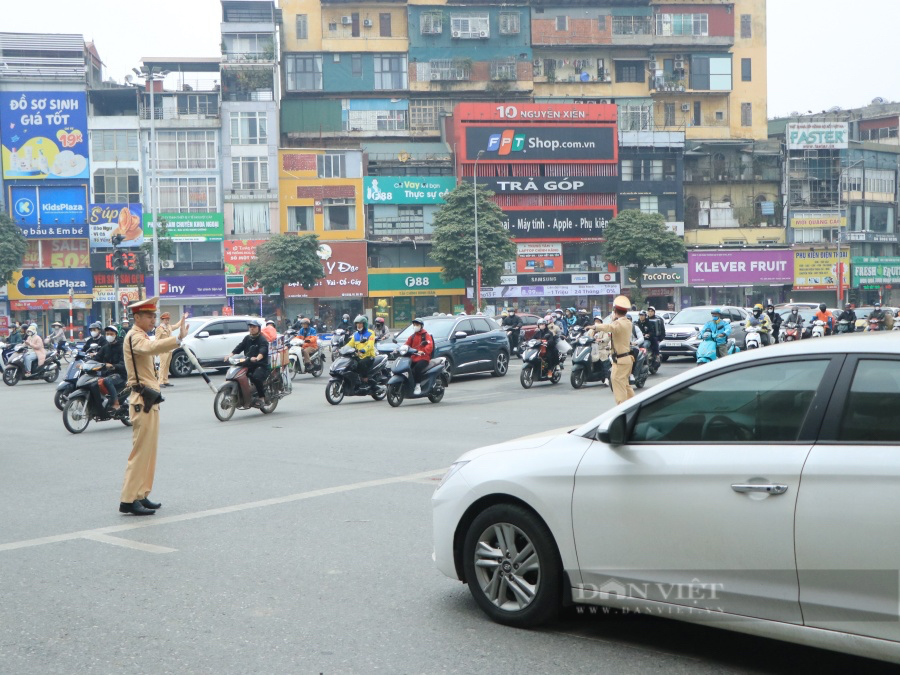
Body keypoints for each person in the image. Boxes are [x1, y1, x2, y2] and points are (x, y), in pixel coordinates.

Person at [120, 298, 188, 516]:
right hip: (142, 401)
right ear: (137, 317)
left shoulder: (141, 335)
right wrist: (176, 338)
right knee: (140, 452)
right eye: (149, 316)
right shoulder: (134, 337)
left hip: (150, 399)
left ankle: (141, 494)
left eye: (154, 316)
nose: (153, 320)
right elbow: (151, 348)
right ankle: (129, 499)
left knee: (150, 452)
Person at [592, 295, 636, 405]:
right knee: (625, 385)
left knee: (618, 385)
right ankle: (635, 404)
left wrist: (594, 327)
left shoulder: (618, 323)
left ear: (614, 310)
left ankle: (622, 410)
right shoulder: (627, 322)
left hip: (620, 360)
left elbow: (610, 327)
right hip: (626, 359)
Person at [227, 319, 270, 404]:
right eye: (250, 327)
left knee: (256, 377)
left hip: (260, 365)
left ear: (258, 328)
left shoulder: (262, 339)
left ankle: (261, 397)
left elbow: (263, 350)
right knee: (239, 374)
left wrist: (257, 358)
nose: (252, 329)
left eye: (254, 327)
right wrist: (230, 355)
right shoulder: (247, 338)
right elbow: (240, 347)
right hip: (248, 363)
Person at [97, 324, 126, 411]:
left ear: (116, 335)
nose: (109, 336)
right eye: (107, 334)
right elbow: (96, 358)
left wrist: (113, 366)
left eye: (111, 334)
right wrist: (84, 364)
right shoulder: (105, 347)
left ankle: (115, 402)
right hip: (107, 373)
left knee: (107, 380)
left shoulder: (122, 347)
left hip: (120, 375)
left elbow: (123, 364)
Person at [404, 317, 434, 395]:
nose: (415, 326)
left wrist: (423, 351)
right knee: (406, 367)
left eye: (417, 324)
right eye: (414, 324)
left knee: (417, 369)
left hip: (423, 358)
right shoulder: (412, 336)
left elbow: (430, 346)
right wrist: (401, 349)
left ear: (421, 326)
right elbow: (406, 344)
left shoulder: (426, 335)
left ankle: (418, 385)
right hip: (413, 357)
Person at [346, 315, 376, 388]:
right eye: (357, 324)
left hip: (369, 356)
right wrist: (342, 349)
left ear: (364, 324)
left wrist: (363, 350)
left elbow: (370, 345)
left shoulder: (371, 333)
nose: (358, 325)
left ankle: (365, 379)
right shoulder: (356, 334)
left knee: (361, 363)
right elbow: (350, 344)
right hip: (358, 355)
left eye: (360, 323)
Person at [155, 312, 183, 387]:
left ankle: (165, 380)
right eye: (166, 320)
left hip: (169, 348)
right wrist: (157, 349)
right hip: (163, 349)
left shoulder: (169, 327)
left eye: (168, 320)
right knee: (162, 365)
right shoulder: (159, 329)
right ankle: (160, 381)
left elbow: (177, 326)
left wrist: (183, 318)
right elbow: (157, 339)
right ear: (162, 320)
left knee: (167, 365)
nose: (167, 321)